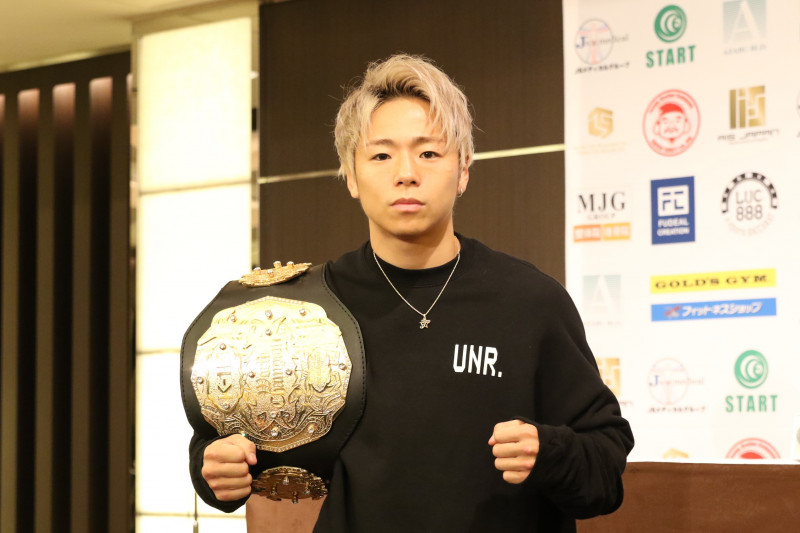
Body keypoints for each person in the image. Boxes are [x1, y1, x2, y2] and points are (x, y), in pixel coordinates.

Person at [192, 54, 634, 532]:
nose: (406, 173)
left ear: (463, 170)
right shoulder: (303, 309)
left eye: (429, 153)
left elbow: (605, 469)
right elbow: (223, 441)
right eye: (381, 155)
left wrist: (548, 452)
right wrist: (215, 468)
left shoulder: (531, 301)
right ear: (351, 175)